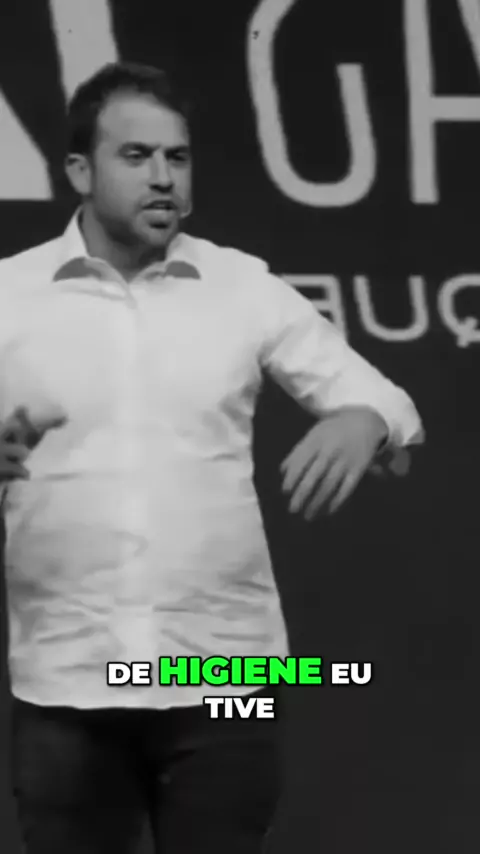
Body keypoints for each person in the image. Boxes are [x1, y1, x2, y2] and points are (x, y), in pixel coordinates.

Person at [0, 62, 423, 854]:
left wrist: (365, 419)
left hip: (229, 679)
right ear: (79, 172)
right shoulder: (8, 298)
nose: (164, 177)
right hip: (66, 682)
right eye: (136, 156)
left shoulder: (241, 287)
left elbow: (389, 403)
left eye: (178, 157)